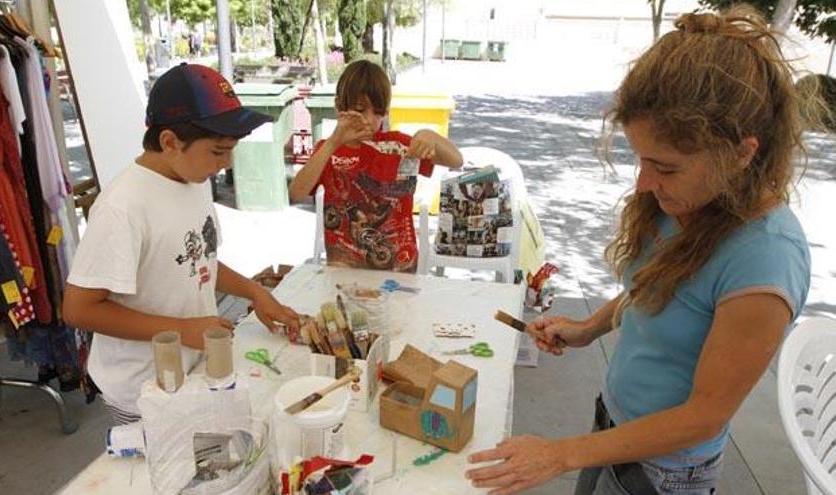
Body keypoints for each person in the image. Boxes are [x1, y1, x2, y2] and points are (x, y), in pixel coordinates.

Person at [466, 7, 820, 494]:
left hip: (667, 471)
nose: (646, 183)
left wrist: (559, 454)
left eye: (667, 168)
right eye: (640, 159)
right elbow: (656, 286)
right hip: (617, 425)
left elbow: (703, 416)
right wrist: (589, 328)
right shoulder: (694, 200)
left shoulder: (766, 261)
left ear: (742, 153)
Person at [63, 64, 301, 424]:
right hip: (142, 391)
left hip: (193, 369)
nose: (226, 164)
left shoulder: (194, 179)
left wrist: (255, 292)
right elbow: (79, 310)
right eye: (219, 151)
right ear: (170, 142)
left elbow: (198, 261)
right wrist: (181, 330)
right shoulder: (122, 207)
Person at [288, 59, 463, 272]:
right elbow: (296, 193)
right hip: (343, 269)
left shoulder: (398, 145)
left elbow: (456, 160)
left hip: (400, 269)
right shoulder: (328, 149)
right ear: (338, 106)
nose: (369, 120)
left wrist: (430, 136)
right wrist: (334, 141)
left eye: (378, 111)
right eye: (360, 109)